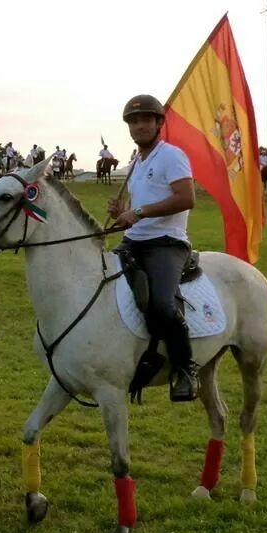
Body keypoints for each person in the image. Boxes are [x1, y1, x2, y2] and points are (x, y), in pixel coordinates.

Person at [107, 94, 199, 402]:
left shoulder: (171, 155)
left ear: (159, 122)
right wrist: (122, 213)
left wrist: (139, 212)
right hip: (134, 241)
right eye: (133, 121)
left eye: (146, 119)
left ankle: (185, 368)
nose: (139, 126)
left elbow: (186, 198)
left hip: (166, 243)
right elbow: (138, 208)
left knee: (161, 304)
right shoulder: (136, 162)